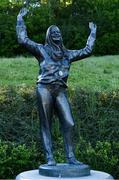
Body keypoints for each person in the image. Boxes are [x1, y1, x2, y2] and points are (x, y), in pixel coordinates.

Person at [16, 8, 97, 166]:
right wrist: (20, 19)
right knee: (46, 124)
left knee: (69, 122)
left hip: (60, 90)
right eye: (53, 33)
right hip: (44, 88)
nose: (56, 35)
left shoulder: (68, 54)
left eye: (58, 33)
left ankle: (71, 157)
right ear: (48, 36)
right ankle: (50, 157)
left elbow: (87, 50)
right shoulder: (41, 50)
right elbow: (23, 40)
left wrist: (92, 33)